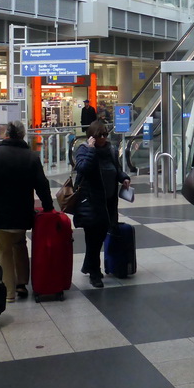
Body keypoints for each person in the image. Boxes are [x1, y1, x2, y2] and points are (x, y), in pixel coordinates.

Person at [0, 120, 53, 302]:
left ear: (6, 135)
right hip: (22, 214)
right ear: (22, 136)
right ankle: (21, 284)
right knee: (20, 245)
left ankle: (8, 293)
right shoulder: (31, 157)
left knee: (4, 251)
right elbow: (42, 185)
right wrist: (48, 206)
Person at [73, 119, 129, 288]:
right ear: (91, 137)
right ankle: (95, 272)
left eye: (105, 134)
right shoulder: (84, 150)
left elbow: (116, 169)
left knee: (100, 236)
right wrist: (91, 149)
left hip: (109, 201)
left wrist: (123, 177)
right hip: (90, 201)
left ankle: (89, 266)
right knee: (93, 238)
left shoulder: (110, 150)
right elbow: (83, 168)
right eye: (99, 136)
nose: (103, 138)